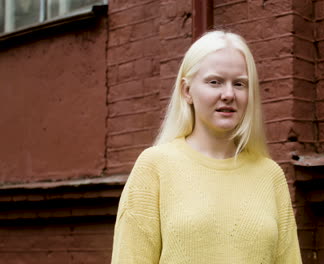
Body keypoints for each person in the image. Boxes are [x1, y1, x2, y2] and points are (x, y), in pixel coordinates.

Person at [111, 30, 302, 264]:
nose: (229, 94)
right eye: (215, 82)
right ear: (187, 91)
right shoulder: (155, 167)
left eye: (240, 84)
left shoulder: (270, 175)